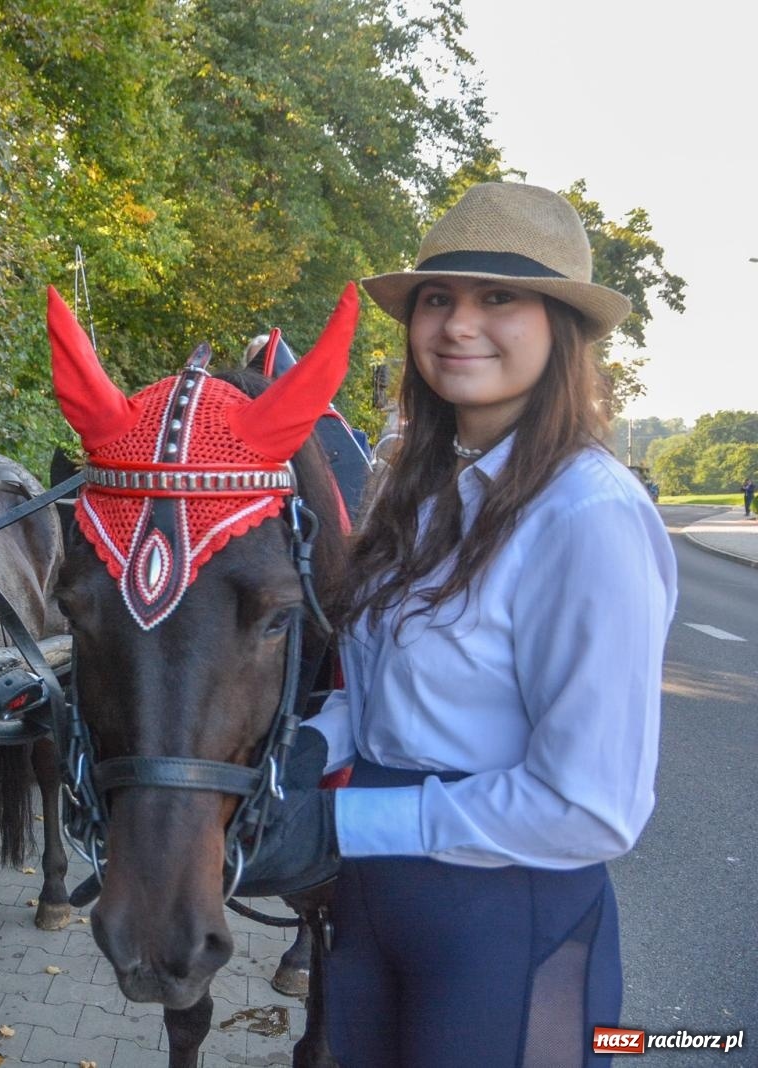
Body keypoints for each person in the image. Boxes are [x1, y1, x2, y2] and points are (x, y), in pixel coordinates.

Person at [237, 182, 677, 1066]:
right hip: (373, 908)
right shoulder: (418, 491)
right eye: (438, 298)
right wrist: (310, 749)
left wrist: (340, 824)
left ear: (562, 327)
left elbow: (589, 808)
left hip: (502, 928)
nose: (456, 324)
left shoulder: (587, 515)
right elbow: (387, 695)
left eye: (498, 298)